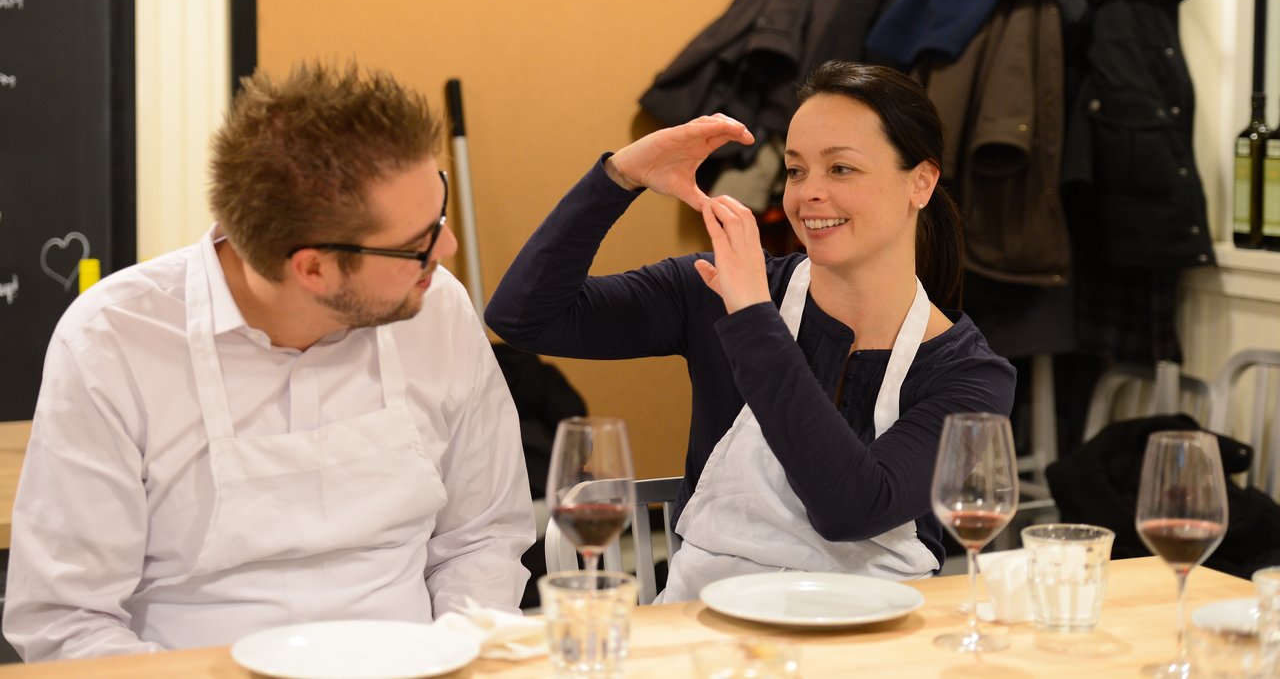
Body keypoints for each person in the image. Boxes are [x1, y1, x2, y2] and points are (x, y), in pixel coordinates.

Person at [4, 63, 535, 660]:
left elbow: (482, 536)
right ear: (312, 268)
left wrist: (453, 655)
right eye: (418, 244)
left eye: (437, 215)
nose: (448, 249)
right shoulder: (114, 341)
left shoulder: (434, 307)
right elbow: (66, 620)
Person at [485, 61, 1015, 601]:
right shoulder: (718, 289)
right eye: (795, 170)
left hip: (872, 641)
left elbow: (851, 508)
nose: (808, 194)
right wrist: (620, 176)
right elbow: (524, 316)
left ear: (920, 183)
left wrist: (751, 317)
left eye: (841, 170)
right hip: (707, 629)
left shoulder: (969, 375)